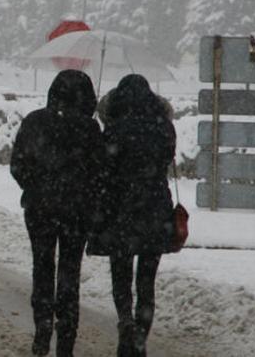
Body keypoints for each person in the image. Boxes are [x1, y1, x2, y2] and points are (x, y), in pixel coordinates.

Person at [10, 70, 105, 356]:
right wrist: (86, 196)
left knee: (42, 267)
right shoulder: (90, 129)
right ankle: (67, 337)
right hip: (76, 212)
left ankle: (42, 328)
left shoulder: (34, 122)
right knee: (69, 272)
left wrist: (36, 186)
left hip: (40, 209)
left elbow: (18, 165)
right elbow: (99, 173)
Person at [86, 74, 176, 357]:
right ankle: (140, 337)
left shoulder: (114, 130)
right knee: (147, 281)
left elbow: (103, 171)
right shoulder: (164, 128)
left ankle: (125, 320)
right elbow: (166, 160)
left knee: (121, 274)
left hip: (120, 210)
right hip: (155, 209)